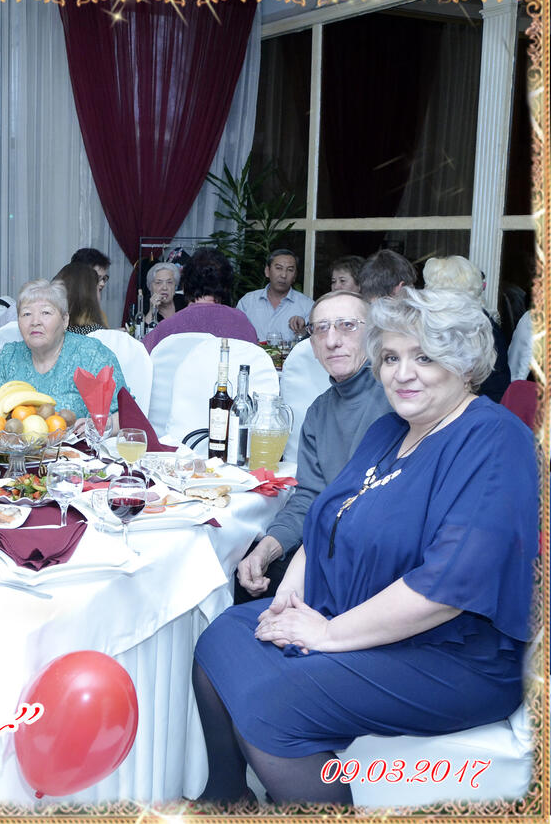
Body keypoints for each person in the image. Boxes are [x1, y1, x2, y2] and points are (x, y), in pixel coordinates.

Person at [192, 287, 537, 805]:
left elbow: (445, 589)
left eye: (425, 357)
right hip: (360, 612)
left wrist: (328, 633)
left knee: (273, 702)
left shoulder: (495, 441)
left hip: (451, 655)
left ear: (465, 365)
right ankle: (226, 798)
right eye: (391, 358)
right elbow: (329, 515)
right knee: (222, 636)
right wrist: (292, 588)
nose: (402, 373)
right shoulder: (389, 430)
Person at [234, 291, 391, 603]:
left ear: (373, 335)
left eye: (347, 325)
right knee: (245, 572)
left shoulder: (398, 400)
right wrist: (267, 548)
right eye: (321, 328)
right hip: (329, 548)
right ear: (314, 347)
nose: (332, 340)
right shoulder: (319, 412)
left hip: (377, 560)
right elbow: (309, 498)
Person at [0, 278, 127, 422]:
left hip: (77, 441)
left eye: (46, 312)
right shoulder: (10, 355)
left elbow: (127, 415)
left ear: (65, 320)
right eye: (26, 314)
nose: (35, 322)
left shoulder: (91, 354)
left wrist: (97, 426)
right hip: (13, 440)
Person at [422, 255, 510, 402]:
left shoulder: (479, 328)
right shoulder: (445, 323)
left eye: (428, 285)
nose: (425, 290)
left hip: (474, 406)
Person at [142, 249, 258, 352]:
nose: (164, 287)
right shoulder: (242, 323)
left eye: (169, 282)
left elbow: (141, 358)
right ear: (227, 287)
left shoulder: (168, 328)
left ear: (184, 286)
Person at [235, 248, 315, 341]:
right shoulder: (247, 302)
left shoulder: (308, 306)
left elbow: (316, 341)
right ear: (267, 271)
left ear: (295, 276)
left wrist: (303, 331)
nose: (283, 275)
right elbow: (235, 335)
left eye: (290, 270)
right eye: (278, 268)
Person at [53, 262, 108, 335]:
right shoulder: (97, 333)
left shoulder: (51, 330)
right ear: (90, 294)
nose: (103, 284)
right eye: (99, 289)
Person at [141, 261, 183, 329]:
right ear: (150, 287)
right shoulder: (142, 308)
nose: (164, 288)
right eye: (158, 283)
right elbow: (143, 334)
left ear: (175, 286)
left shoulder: (185, 302)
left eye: (169, 282)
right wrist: (152, 310)